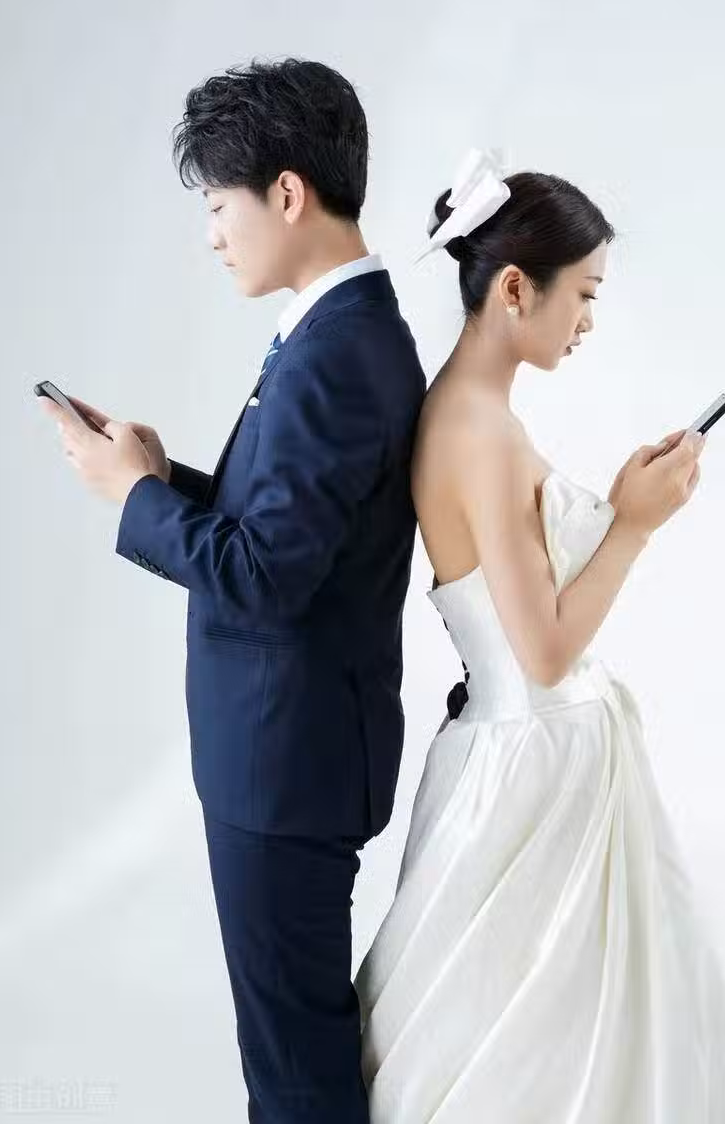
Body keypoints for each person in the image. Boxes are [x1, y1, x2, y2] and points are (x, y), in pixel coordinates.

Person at [38, 57, 426, 1122]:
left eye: (218, 205)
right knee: (292, 1046)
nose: (212, 234)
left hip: (285, 762)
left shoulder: (338, 349)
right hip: (288, 752)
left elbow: (264, 577)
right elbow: (293, 531)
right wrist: (162, 478)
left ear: (286, 193)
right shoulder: (337, 331)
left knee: (293, 1065)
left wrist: (130, 498)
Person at [354, 148, 725, 1122]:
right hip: (538, 759)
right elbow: (541, 650)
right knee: (543, 1038)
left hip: (517, 750)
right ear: (512, 288)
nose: (587, 321)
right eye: (582, 294)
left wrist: (618, 507)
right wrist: (633, 525)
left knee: (543, 1028)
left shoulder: (461, 411)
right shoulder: (479, 433)